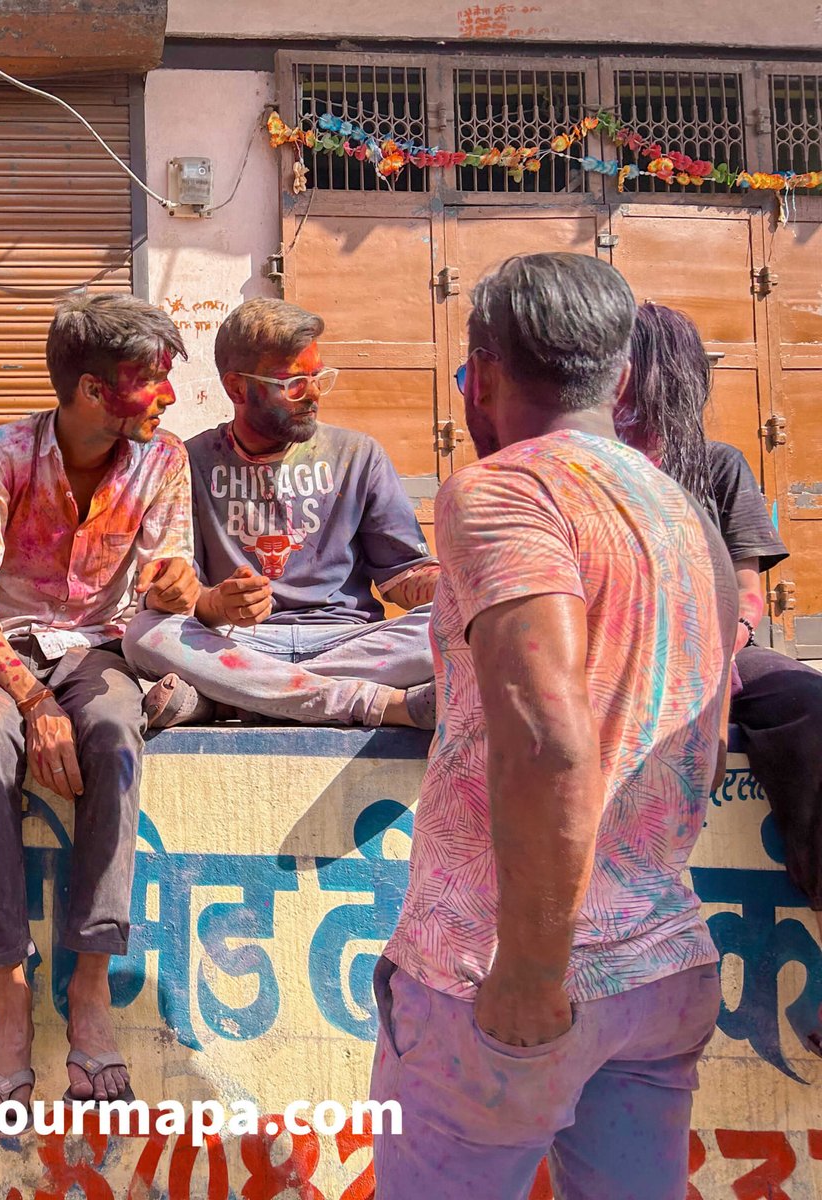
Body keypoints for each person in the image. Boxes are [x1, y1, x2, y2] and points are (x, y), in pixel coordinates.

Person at [373, 254, 739, 1197]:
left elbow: (548, 739)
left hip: (507, 988)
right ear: (618, 379)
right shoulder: (685, 511)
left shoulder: (503, 492)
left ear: (483, 376)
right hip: (660, 967)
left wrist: (532, 969)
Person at [0, 293, 199, 1118]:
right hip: (3, 652)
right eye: (151, 381)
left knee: (119, 734)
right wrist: (32, 699)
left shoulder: (164, 462)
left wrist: (180, 590)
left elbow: (168, 581)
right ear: (92, 390)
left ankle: (90, 987)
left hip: (102, 649)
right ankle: (9, 995)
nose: (166, 395)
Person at [617, 301, 822, 1057]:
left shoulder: (721, 464)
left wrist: (720, 650)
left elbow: (746, 588)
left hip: (718, 653)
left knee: (806, 702)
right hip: (620, 659)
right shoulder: (589, 465)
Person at [122, 298, 437, 730]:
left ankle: (240, 698)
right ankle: (370, 703)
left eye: (319, 378)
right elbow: (182, 598)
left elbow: (403, 577)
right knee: (144, 634)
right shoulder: (188, 462)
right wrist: (214, 602)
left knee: (459, 623)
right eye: (293, 383)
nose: (313, 395)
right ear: (237, 388)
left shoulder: (358, 455)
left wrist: (462, 585)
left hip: (347, 640)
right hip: (239, 645)